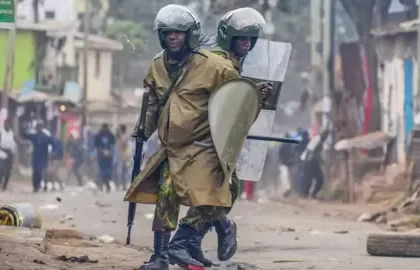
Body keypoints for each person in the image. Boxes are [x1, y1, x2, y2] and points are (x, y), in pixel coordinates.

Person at [123, 4, 241, 269]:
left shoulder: (215, 67)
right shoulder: (156, 66)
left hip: (202, 145)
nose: (172, 37)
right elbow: (152, 103)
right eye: (167, 33)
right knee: (167, 196)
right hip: (171, 146)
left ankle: (224, 225)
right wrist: (142, 129)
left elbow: (236, 100)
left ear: (191, 35)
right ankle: (160, 257)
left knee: (204, 196)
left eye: (178, 32)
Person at [175, 7, 270, 267]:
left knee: (227, 187)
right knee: (220, 188)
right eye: (242, 39)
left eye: (251, 39)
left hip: (212, 137)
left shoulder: (231, 61)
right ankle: (188, 238)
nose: (247, 44)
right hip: (204, 136)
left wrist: (252, 96)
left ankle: (191, 240)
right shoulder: (218, 62)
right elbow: (215, 104)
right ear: (228, 38)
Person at [22, 123, 54, 193]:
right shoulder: (34, 136)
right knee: (35, 172)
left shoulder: (46, 137)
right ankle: (35, 186)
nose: (38, 129)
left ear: (42, 128)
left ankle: (38, 186)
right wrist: (24, 128)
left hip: (43, 157)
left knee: (40, 172)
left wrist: (52, 154)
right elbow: (26, 135)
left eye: (39, 127)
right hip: (35, 157)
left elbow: (53, 143)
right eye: (37, 128)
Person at [299, 129, 329, 198]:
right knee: (308, 179)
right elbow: (309, 151)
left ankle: (313, 194)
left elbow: (318, 153)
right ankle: (305, 195)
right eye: (324, 135)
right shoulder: (316, 140)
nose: (325, 137)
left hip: (314, 161)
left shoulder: (322, 142)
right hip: (307, 161)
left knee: (320, 178)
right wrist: (305, 164)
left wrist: (322, 161)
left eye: (326, 135)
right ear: (321, 134)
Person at [94, 123, 115, 193]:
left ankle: (104, 185)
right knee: (103, 170)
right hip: (103, 155)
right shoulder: (100, 135)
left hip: (106, 156)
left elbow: (113, 145)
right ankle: (104, 185)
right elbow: (96, 145)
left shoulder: (101, 134)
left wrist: (107, 152)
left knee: (104, 171)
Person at [0, 119, 17, 191]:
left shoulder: (12, 133)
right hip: (2, 152)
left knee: (8, 171)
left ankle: (5, 185)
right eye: (5, 124)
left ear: (10, 125)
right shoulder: (1, 132)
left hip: (10, 153)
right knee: (1, 170)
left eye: (8, 124)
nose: (6, 125)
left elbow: (17, 141)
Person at [115, 124, 131, 190]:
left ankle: (122, 185)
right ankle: (121, 185)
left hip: (123, 158)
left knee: (122, 172)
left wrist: (127, 156)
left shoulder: (123, 138)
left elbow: (126, 148)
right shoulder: (120, 137)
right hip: (120, 157)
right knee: (121, 172)